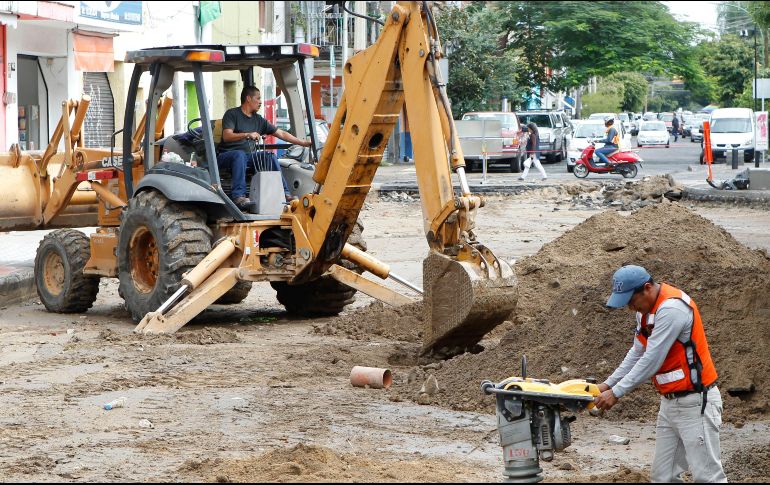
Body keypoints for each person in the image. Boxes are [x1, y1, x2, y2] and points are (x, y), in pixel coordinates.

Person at [595, 265, 726, 483]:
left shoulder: (671, 309)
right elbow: (637, 352)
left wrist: (617, 392)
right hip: (669, 404)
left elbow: (652, 359)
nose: (630, 307)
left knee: (707, 477)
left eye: (631, 300)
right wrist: (606, 385)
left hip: (696, 403)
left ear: (647, 288)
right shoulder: (644, 313)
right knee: (663, 477)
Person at [218, 85, 312, 211]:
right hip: (227, 156)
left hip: (247, 157)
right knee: (239, 155)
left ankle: (285, 194)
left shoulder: (258, 120)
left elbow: (281, 133)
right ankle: (238, 196)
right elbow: (227, 136)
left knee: (269, 156)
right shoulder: (232, 114)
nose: (261, 102)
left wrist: (302, 142)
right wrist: (247, 134)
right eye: (258, 98)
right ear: (248, 99)